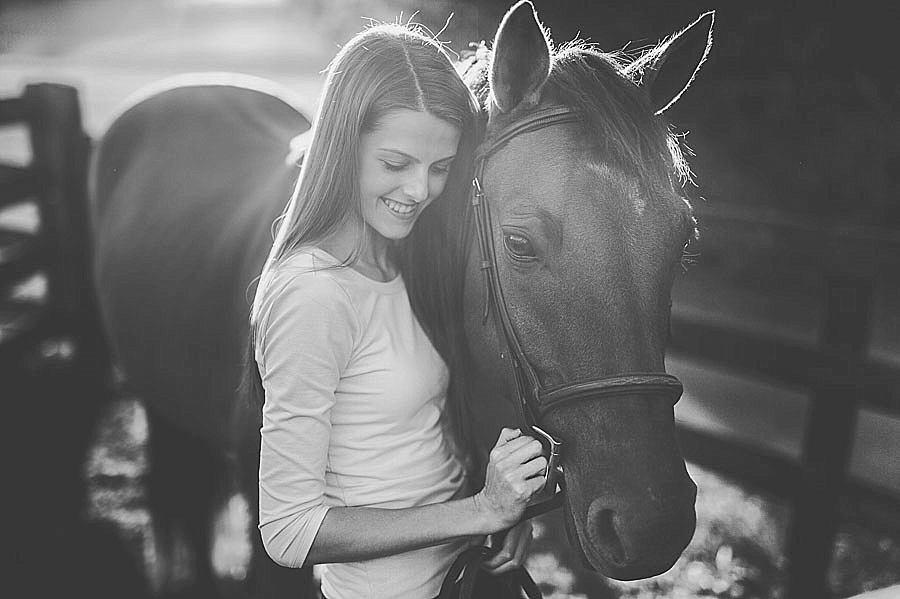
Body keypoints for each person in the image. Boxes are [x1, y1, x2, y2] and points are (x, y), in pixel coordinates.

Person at [246, 22, 548, 599]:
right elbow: (287, 531)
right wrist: (480, 511)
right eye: (395, 163)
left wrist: (498, 520)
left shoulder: (404, 256)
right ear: (342, 144)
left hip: (462, 576)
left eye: (440, 168)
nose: (419, 190)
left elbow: (418, 438)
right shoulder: (313, 293)